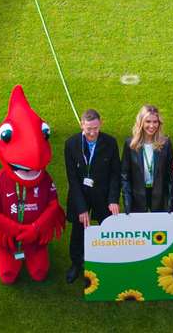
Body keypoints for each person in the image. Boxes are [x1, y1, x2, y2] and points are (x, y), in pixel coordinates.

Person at [64, 108, 123, 285]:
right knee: (78, 229)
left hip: (102, 194)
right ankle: (76, 263)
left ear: (101, 124)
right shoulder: (71, 144)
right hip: (79, 194)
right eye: (88, 129)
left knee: (107, 228)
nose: (92, 133)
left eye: (95, 128)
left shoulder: (110, 143)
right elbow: (72, 179)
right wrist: (81, 208)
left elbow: (115, 173)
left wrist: (113, 199)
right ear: (81, 125)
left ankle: (106, 263)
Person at [123, 104, 173, 213]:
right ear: (141, 122)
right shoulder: (130, 144)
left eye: (155, 122)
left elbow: (171, 176)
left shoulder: (165, 144)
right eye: (148, 121)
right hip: (137, 199)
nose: (152, 126)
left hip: (160, 198)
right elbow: (125, 175)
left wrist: (170, 203)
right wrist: (127, 202)